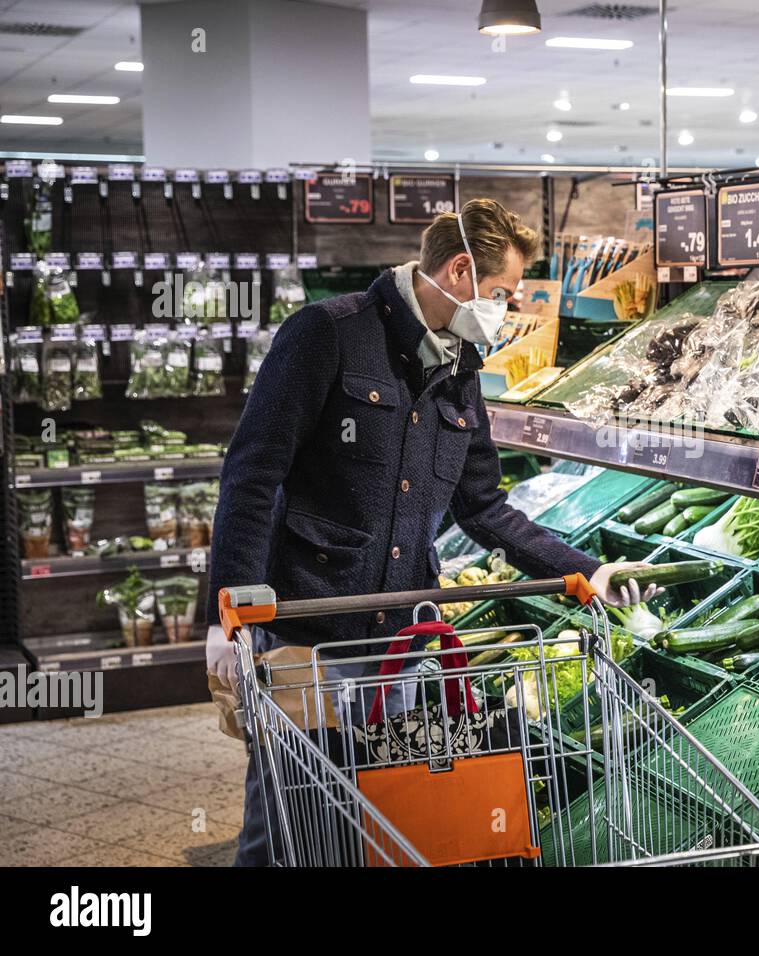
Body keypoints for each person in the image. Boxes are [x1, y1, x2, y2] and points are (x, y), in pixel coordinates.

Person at [205, 198, 659, 866]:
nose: (504, 308)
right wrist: (229, 613)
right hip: (308, 635)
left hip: (400, 650)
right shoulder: (328, 335)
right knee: (286, 824)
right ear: (458, 271)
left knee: (385, 827)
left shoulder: (462, 370)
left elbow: (484, 508)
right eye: (501, 291)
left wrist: (585, 569)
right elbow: (252, 474)